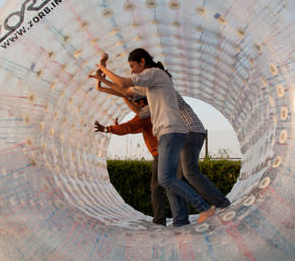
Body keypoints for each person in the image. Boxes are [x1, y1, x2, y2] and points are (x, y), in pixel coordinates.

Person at [94, 49, 215, 226]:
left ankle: (204, 208)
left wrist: (101, 67)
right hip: (171, 133)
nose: (132, 71)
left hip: (171, 132)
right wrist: (101, 82)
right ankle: (181, 220)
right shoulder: (151, 92)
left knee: (165, 180)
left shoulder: (154, 75)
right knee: (169, 181)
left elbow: (123, 85)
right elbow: (125, 91)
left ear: (142, 62)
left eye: (133, 66)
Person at [93, 94, 167, 226]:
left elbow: (130, 126)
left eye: (133, 103)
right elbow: (135, 128)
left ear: (141, 102)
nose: (132, 106)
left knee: (156, 186)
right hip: (167, 150)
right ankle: (179, 216)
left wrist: (107, 129)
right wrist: (116, 128)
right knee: (171, 183)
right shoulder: (151, 112)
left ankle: (160, 220)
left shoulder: (145, 112)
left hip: (161, 153)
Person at [175, 95, 231, 210]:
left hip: (191, 132)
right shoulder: (159, 96)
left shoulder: (166, 90)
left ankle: (221, 203)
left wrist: (128, 94)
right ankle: (181, 217)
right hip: (188, 135)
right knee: (179, 178)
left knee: (190, 172)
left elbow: (144, 111)